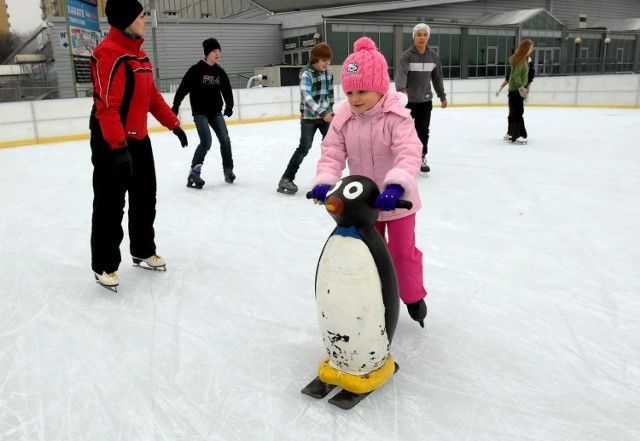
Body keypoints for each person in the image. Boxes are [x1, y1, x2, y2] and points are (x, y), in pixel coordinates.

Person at [310, 37, 428, 328]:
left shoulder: (396, 117)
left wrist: (398, 184)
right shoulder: (343, 118)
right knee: (365, 256)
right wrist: (325, 180)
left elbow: (409, 151)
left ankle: (412, 296)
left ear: (379, 87)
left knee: (401, 253)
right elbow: (332, 152)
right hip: (362, 204)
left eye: (362, 90)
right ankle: (371, 301)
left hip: (397, 201)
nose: (355, 99)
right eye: (350, 92)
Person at [89, 0, 189, 290]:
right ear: (125, 19)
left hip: (138, 138)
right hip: (112, 139)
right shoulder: (108, 54)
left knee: (146, 196)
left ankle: (142, 249)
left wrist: (173, 124)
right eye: (141, 15)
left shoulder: (139, 55)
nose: (145, 19)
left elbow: (152, 97)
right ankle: (104, 265)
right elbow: (107, 107)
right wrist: (118, 149)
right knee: (111, 204)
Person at [172, 38, 235, 189]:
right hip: (200, 112)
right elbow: (183, 88)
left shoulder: (219, 71)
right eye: (214, 51)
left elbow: (226, 90)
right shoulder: (196, 70)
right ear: (207, 53)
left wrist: (229, 105)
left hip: (215, 112)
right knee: (206, 141)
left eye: (219, 51)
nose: (217, 54)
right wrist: (176, 105)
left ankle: (228, 170)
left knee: (225, 139)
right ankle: (194, 172)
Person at [277, 42, 334, 195]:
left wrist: (331, 112)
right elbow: (306, 97)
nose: (326, 63)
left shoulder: (328, 73)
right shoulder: (306, 74)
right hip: (309, 117)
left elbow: (330, 95)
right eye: (323, 60)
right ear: (315, 59)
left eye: (328, 60)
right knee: (304, 147)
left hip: (325, 116)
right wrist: (322, 112)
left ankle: (328, 178)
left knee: (331, 147)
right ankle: (286, 178)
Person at [395, 23, 448, 173]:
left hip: (425, 101)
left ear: (428, 36)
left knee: (423, 130)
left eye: (425, 34)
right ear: (414, 36)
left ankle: (421, 156)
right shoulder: (406, 56)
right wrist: (401, 93)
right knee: (403, 131)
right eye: (419, 34)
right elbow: (401, 77)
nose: (422, 37)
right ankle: (402, 158)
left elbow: (437, 78)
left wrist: (442, 96)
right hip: (408, 102)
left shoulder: (433, 56)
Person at [496, 55, 535, 141]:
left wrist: (526, 93)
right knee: (512, 113)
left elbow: (528, 82)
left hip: (521, 92)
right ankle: (510, 132)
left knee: (518, 113)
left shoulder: (530, 69)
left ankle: (521, 133)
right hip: (513, 92)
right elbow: (508, 78)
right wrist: (500, 88)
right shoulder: (515, 66)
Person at [503, 39, 534, 144]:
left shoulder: (523, 59)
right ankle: (517, 135)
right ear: (526, 48)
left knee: (514, 112)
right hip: (516, 90)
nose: (531, 50)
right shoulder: (521, 60)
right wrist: (521, 88)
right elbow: (515, 75)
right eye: (530, 48)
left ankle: (513, 133)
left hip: (515, 89)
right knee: (518, 112)